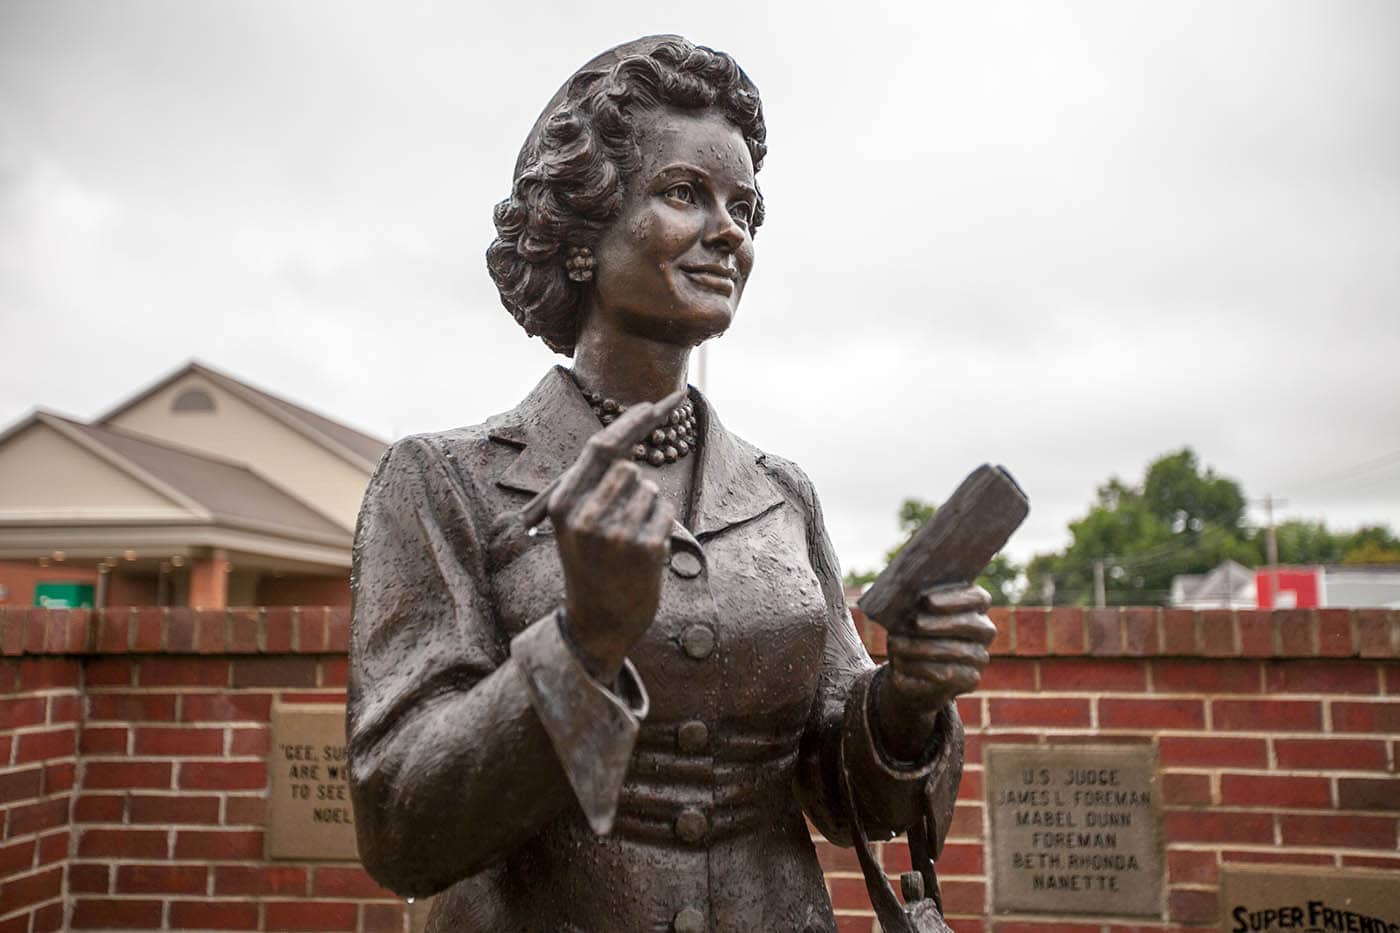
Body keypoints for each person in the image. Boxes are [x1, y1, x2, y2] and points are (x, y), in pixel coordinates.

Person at [348, 36, 995, 933]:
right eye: (685, 193)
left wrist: (907, 701)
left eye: (746, 208)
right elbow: (402, 825)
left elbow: (850, 801)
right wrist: (585, 642)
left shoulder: (781, 493)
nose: (729, 230)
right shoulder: (445, 483)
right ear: (584, 228)